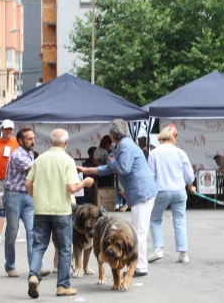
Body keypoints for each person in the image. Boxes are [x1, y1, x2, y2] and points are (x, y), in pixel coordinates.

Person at [78, 119, 157, 278]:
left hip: (141, 192)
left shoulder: (125, 146)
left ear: (113, 135)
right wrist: (88, 169)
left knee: (139, 231)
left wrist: (112, 161)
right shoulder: (125, 145)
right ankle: (137, 264)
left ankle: (140, 266)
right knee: (136, 229)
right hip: (138, 193)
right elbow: (111, 168)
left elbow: (124, 168)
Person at [25, 129, 94, 298]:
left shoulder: (40, 159)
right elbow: (72, 188)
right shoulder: (67, 160)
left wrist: (36, 197)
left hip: (41, 210)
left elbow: (27, 183)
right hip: (62, 210)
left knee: (39, 245)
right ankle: (62, 286)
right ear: (66, 142)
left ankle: (34, 275)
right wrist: (85, 182)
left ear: (50, 142)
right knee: (64, 249)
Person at [4, 128, 51, 278]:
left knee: (33, 232)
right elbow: (33, 169)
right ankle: (10, 265)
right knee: (12, 231)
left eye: (33, 138)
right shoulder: (17, 155)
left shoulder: (30, 154)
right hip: (14, 195)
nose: (33, 141)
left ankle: (35, 267)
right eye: (29, 139)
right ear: (20, 141)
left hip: (28, 195)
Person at [147, 124, 196, 264]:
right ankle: (183, 252)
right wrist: (190, 185)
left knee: (155, 219)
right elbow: (189, 175)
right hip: (179, 191)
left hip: (162, 190)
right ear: (173, 136)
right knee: (179, 220)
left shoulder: (154, 153)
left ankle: (158, 248)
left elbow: (151, 176)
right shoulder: (180, 152)